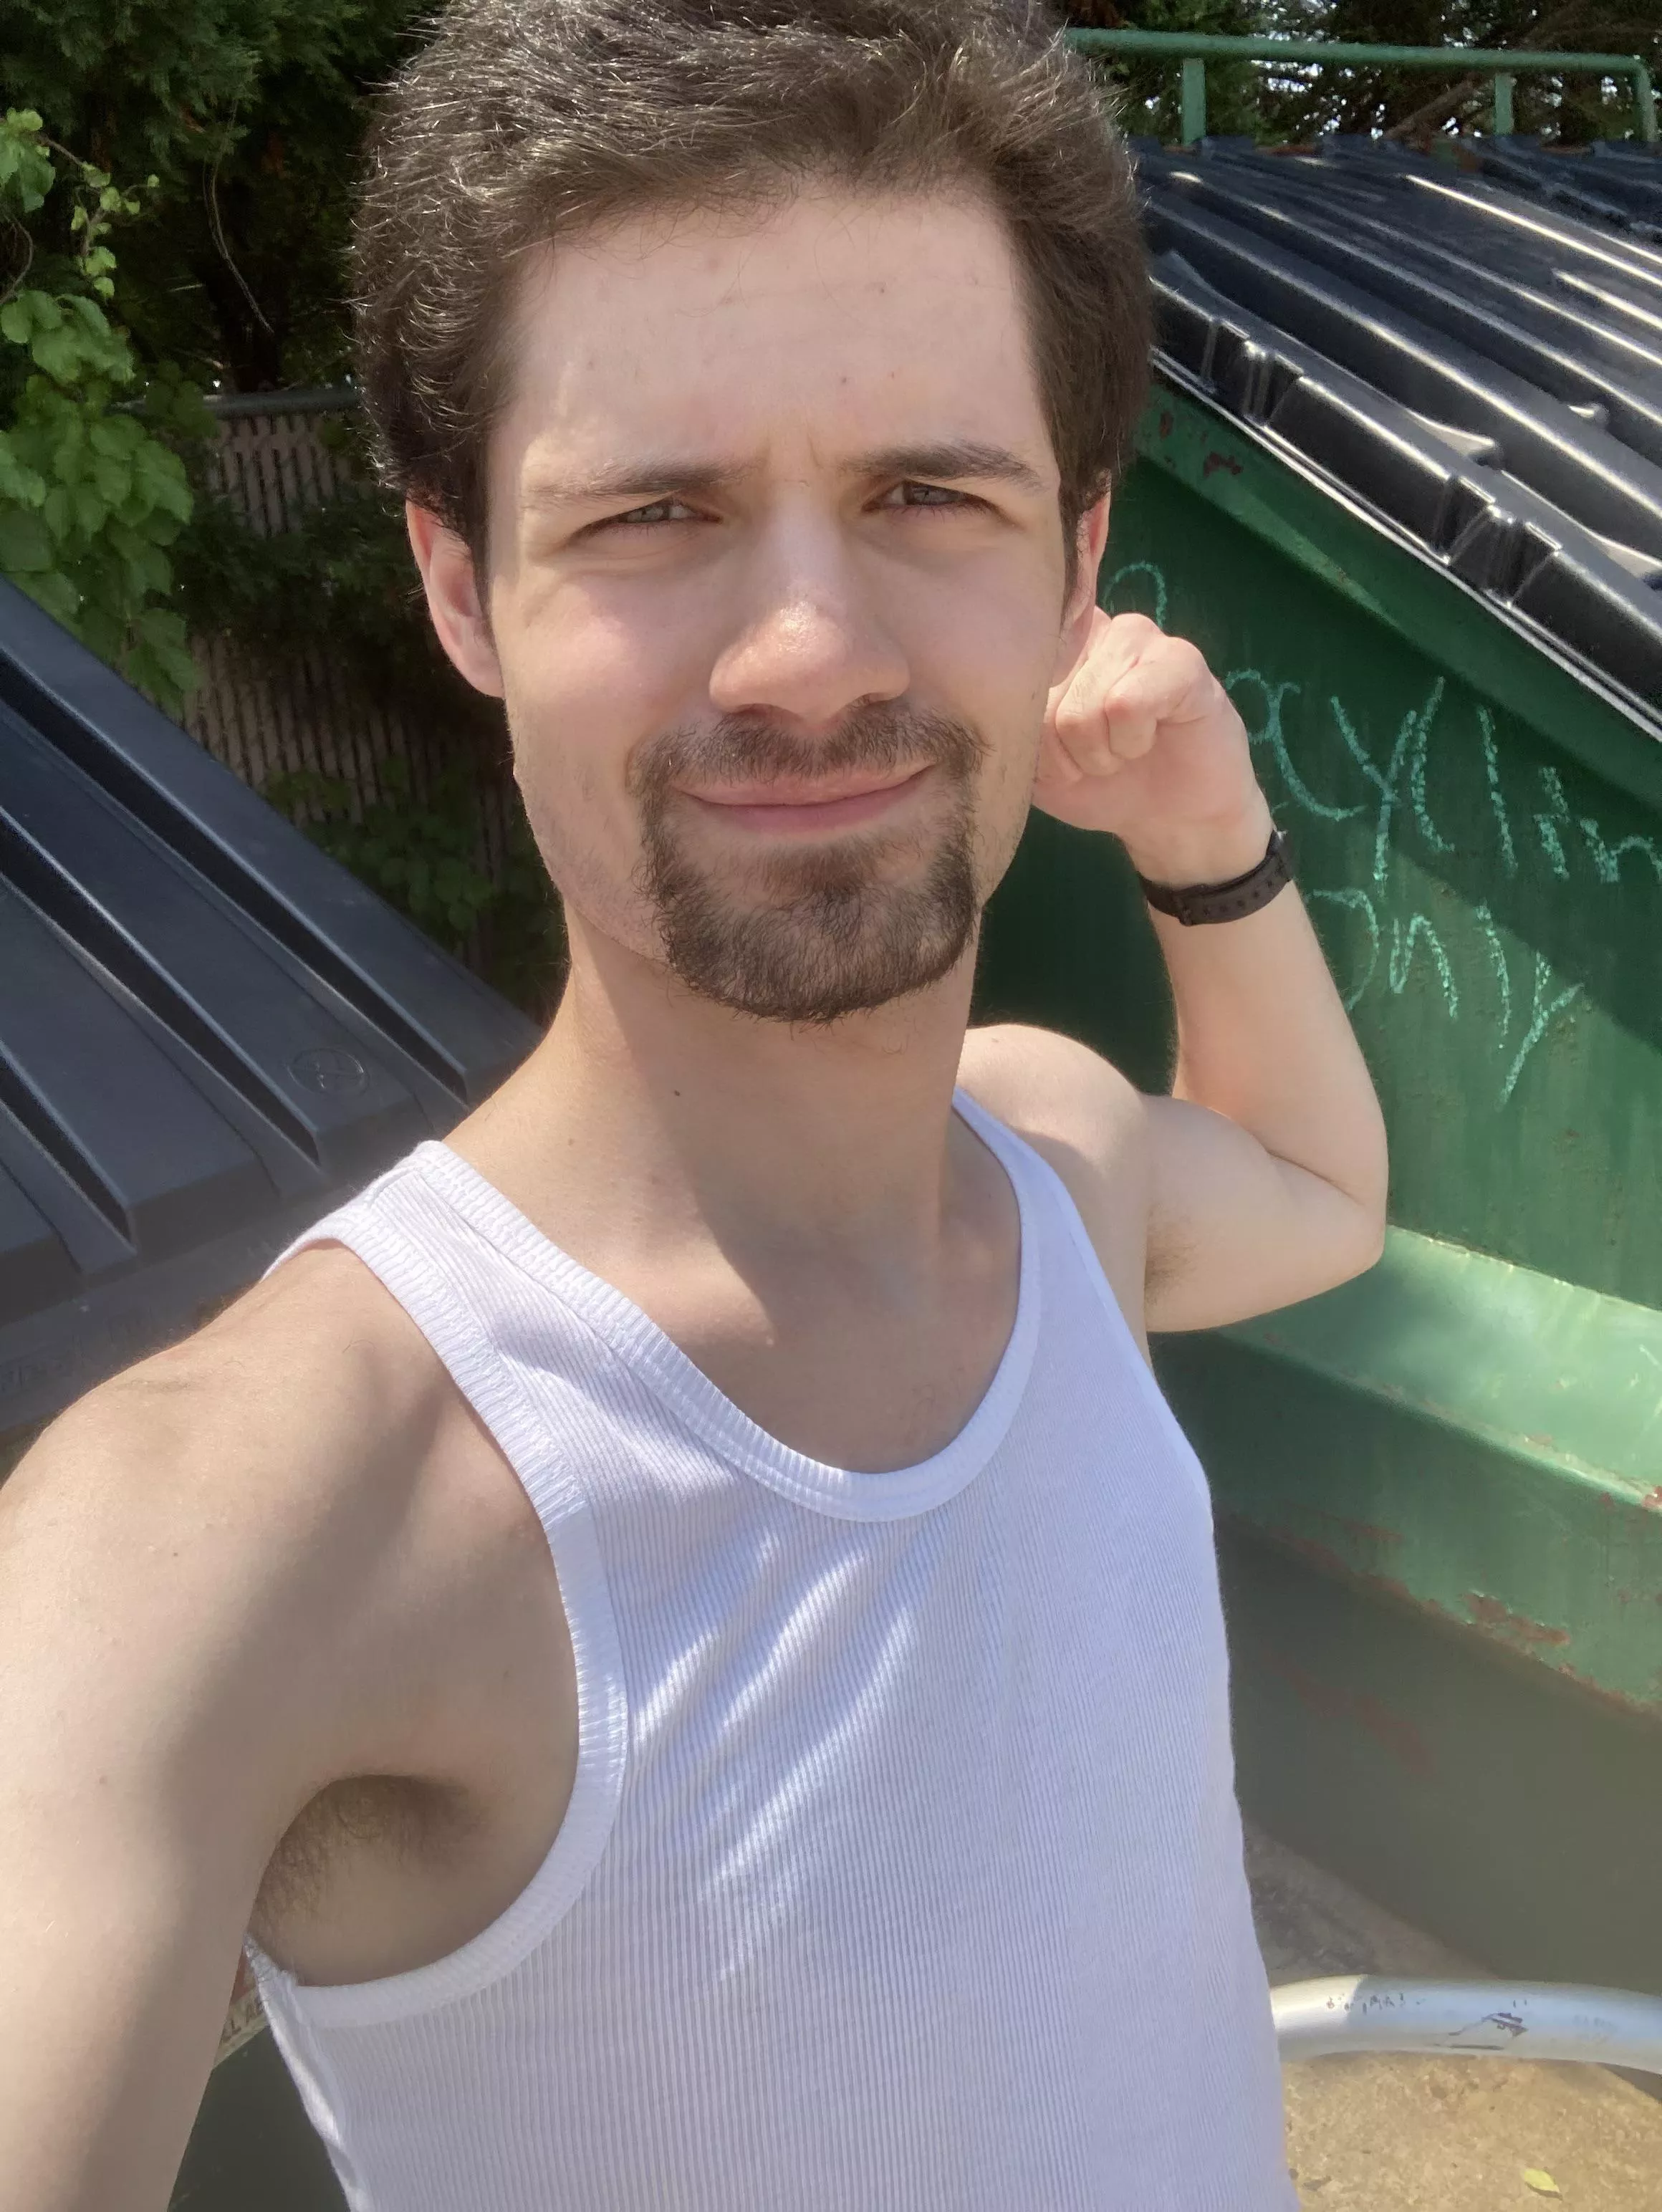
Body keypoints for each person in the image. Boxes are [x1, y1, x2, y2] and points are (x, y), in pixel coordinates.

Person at [0, 2, 1387, 2206]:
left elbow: (1322, 1187)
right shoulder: (254, 1514)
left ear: (1074, 562)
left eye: (927, 492)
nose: (808, 652)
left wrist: (1208, 841)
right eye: (655, 512)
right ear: (463, 590)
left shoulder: (1061, 1167)